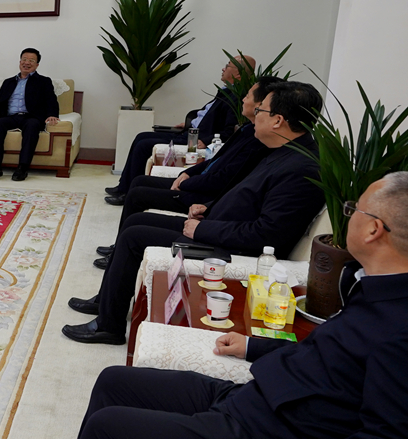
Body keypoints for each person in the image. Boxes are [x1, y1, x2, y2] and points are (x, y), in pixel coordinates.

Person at [0, 172, 408, 439]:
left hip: (272, 435)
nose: (347, 216)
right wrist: (253, 347)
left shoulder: (399, 327)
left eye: (353, 210)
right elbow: (329, 355)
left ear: (373, 229)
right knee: (114, 381)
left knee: (108, 427)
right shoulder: (376, 286)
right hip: (255, 398)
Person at [66, 81, 324, 345]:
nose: (255, 114)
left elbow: (267, 235)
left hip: (230, 248)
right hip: (217, 226)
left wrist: (202, 229)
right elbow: (244, 194)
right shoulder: (283, 153)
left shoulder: (300, 169)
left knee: (135, 237)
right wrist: (208, 208)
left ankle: (109, 326)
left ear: (278, 120)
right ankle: (106, 304)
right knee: (136, 221)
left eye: (261, 111)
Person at [92, 76, 281, 268]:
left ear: (262, 106)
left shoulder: (259, 144)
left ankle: (119, 253)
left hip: (204, 196)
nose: (243, 99)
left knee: (138, 196)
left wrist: (187, 183)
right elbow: (215, 161)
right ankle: (118, 249)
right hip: (203, 189)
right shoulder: (248, 130)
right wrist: (188, 173)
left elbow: (224, 180)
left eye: (248, 95)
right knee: (139, 182)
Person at [105, 57, 250, 204]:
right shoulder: (226, 92)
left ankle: (126, 193)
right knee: (141, 137)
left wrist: (205, 141)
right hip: (190, 131)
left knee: (143, 145)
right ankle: (123, 186)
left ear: (239, 73)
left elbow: (229, 132)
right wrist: (189, 123)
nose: (223, 69)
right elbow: (209, 116)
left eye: (227, 66)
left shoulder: (236, 99)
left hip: (195, 139)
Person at [0, 48, 59, 181]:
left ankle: (22, 168)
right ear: (20, 62)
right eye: (24, 59)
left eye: (31, 60)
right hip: (11, 117)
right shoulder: (9, 82)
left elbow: (51, 99)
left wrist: (52, 114)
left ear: (37, 65)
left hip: (31, 117)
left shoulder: (44, 81)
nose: (27, 63)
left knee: (32, 126)